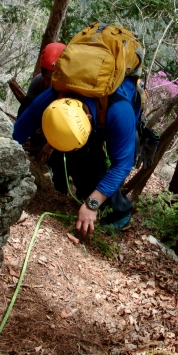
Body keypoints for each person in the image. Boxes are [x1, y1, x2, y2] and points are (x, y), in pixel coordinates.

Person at [13, 75, 139, 235]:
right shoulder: (48, 100)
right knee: (78, 163)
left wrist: (92, 204)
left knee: (95, 168)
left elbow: (122, 166)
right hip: (94, 120)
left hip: (118, 125)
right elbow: (16, 134)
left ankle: (120, 213)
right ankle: (86, 194)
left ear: (88, 119)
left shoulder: (120, 111)